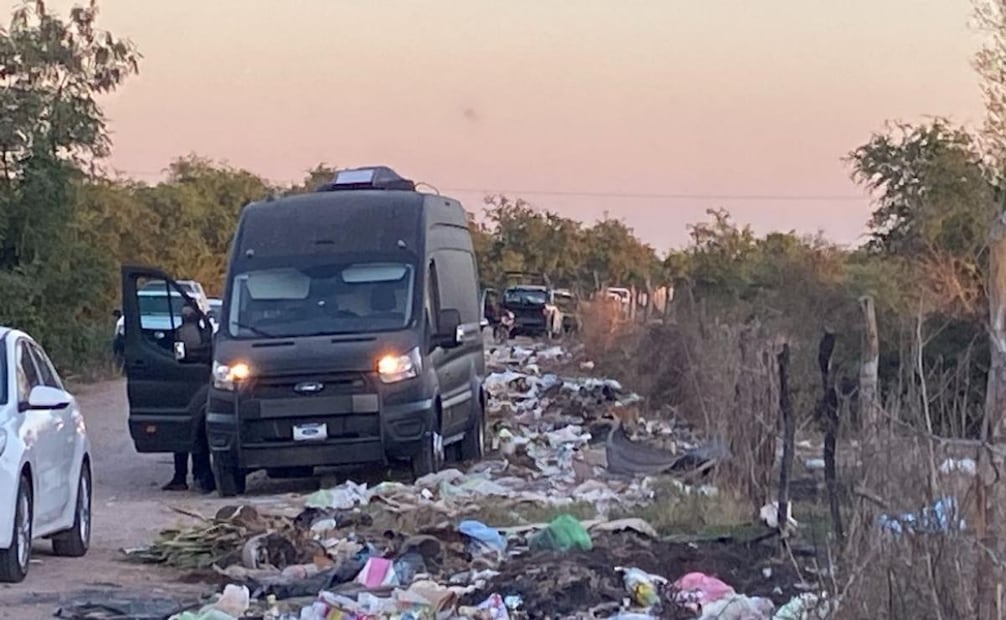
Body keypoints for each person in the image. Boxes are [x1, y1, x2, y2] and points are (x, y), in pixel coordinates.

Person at [162, 306, 215, 493]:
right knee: (198, 437)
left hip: (186, 389)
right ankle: (200, 476)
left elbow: (178, 357)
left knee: (186, 435)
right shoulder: (203, 333)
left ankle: (184, 477)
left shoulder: (181, 334)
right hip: (198, 386)